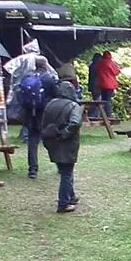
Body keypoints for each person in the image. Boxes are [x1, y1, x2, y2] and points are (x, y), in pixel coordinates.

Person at [41, 78, 84, 213]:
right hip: (67, 143)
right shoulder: (73, 106)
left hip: (51, 141)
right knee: (67, 172)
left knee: (64, 170)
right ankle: (64, 203)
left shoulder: (50, 104)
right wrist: (64, 134)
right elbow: (75, 123)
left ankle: (71, 197)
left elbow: (44, 123)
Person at [15, 57, 52, 179]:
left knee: (32, 140)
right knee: (51, 138)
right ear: (45, 65)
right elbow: (56, 93)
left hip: (30, 113)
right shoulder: (48, 78)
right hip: (44, 113)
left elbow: (20, 93)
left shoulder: (28, 77)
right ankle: (60, 164)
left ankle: (32, 169)